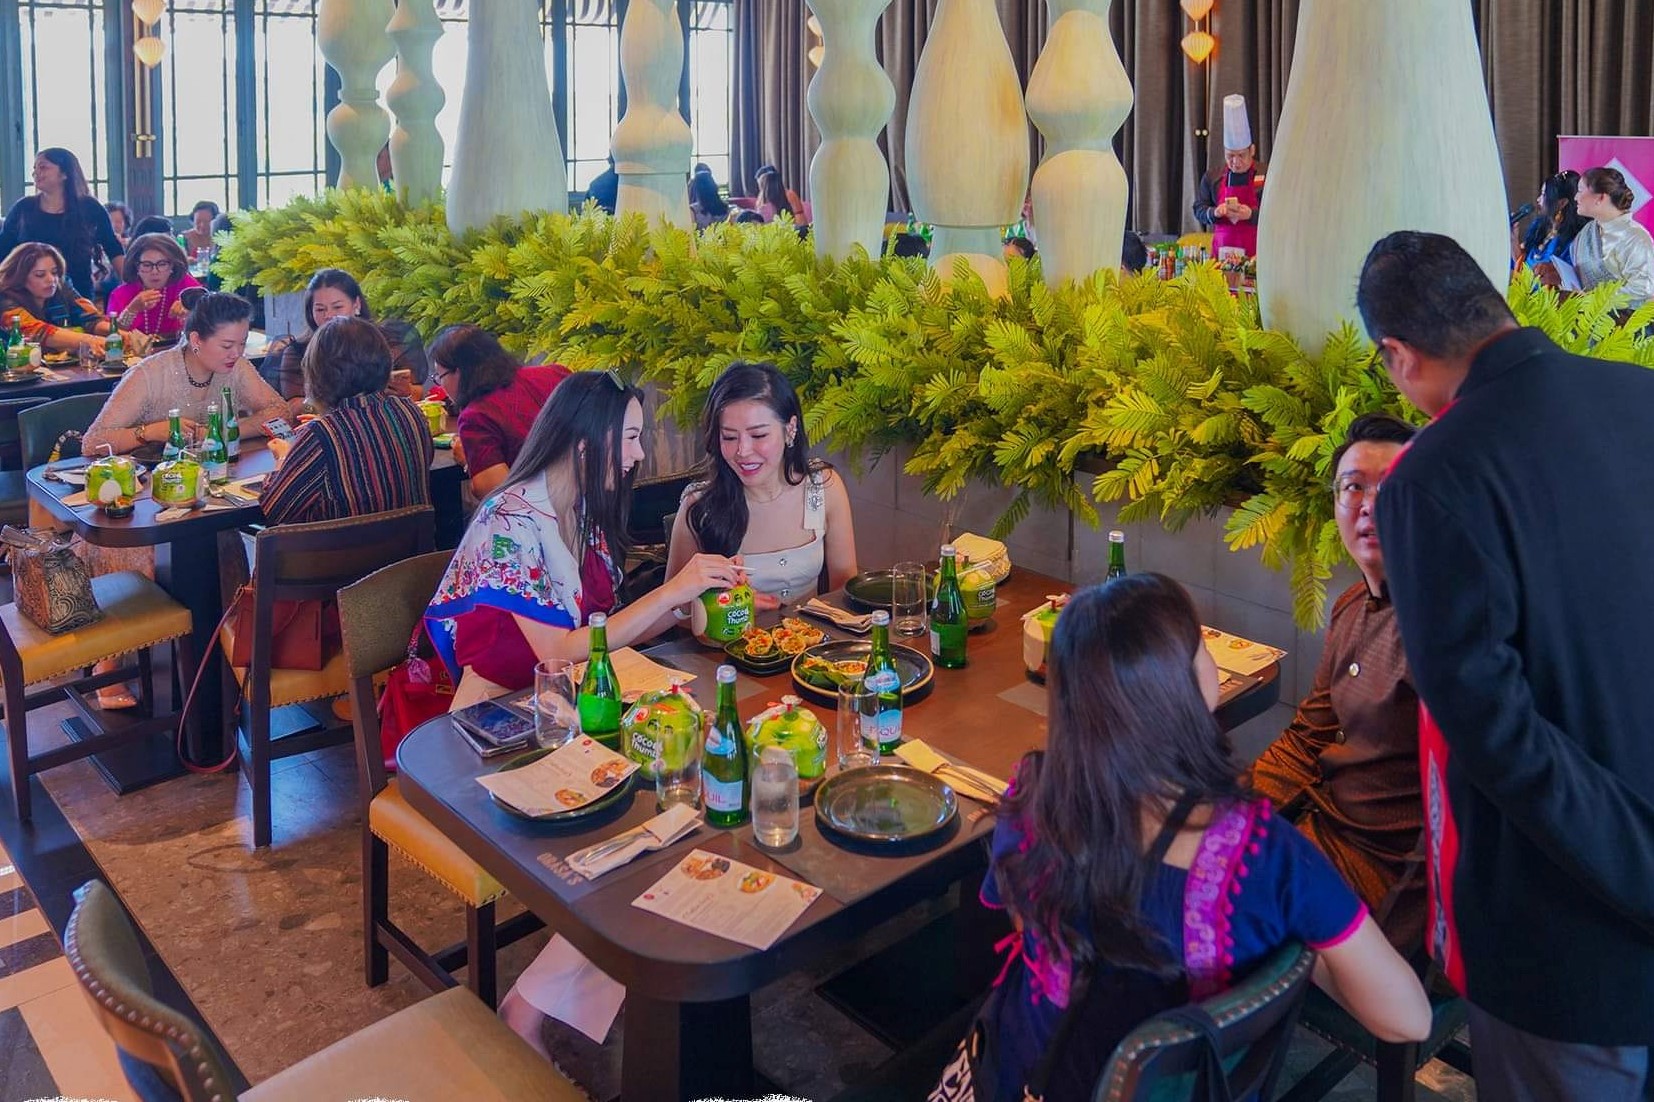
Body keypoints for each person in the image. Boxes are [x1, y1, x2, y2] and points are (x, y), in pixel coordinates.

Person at [1362, 230, 1654, 1099]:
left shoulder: (1432, 475)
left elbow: (1495, 733)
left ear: (1398, 355)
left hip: (1568, 937)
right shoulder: (1640, 394)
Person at [968, 574, 1429, 1101]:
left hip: (1013, 1075)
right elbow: (1408, 1018)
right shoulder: (1264, 855)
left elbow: (1024, 922)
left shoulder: (1029, 797)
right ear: (1188, 685)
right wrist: (1301, 948)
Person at [425, 370, 744, 710]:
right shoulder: (507, 520)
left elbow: (609, 631)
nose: (639, 453)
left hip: (579, 690)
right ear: (584, 442)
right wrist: (671, 590)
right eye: (631, 437)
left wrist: (691, 599)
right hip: (503, 703)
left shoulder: (582, 507)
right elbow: (557, 652)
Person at [1249, 413, 1425, 951]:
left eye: (1392, 488)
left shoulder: (1439, 629)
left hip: (1390, 876)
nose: (1370, 505)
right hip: (1320, 831)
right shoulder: (1351, 605)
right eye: (1354, 487)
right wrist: (1230, 815)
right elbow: (1307, 740)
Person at [668, 361, 857, 610]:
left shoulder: (822, 488)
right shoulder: (700, 506)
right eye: (729, 437)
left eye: (758, 435)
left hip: (810, 633)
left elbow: (844, 591)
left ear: (790, 429)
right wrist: (731, 607)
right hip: (730, 636)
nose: (743, 451)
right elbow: (674, 610)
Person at [260, 317, 432, 526]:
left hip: (343, 548)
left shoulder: (320, 434)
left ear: (318, 374)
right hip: (411, 545)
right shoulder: (411, 413)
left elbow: (276, 510)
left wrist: (284, 456)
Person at [82, 292, 288, 457]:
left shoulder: (237, 366)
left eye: (242, 343)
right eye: (227, 345)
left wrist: (225, 433)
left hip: (219, 472)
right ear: (196, 340)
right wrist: (149, 432)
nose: (236, 353)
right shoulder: (149, 374)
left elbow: (280, 411)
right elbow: (92, 442)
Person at [427, 324, 570, 500]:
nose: (440, 384)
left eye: (439, 376)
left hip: (547, 508)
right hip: (594, 496)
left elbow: (498, 496)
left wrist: (468, 461)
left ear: (458, 372)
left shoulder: (476, 417)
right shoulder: (556, 373)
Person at [272, 268, 426, 401]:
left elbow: (419, 391)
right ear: (310, 312)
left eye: (337, 307)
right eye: (320, 309)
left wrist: (405, 391)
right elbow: (293, 406)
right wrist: (322, 402)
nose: (329, 315)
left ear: (356, 304)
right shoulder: (298, 351)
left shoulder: (385, 341)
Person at [0, 148, 125, 297]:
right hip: (28, 296)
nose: (35, 173)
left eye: (43, 167)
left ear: (65, 173)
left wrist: (131, 287)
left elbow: (112, 247)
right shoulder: (24, 207)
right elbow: (4, 248)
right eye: (35, 169)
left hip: (78, 294)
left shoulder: (90, 207)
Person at [0, 242, 115, 357]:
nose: (51, 279)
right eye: (40, 274)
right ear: (19, 277)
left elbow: (90, 319)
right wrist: (89, 340)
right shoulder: (4, 297)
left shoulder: (62, 287)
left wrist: (117, 334)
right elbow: (36, 331)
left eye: (55, 273)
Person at [1567, 166, 1654, 307]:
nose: (1576, 197)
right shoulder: (1587, 231)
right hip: (1587, 317)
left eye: (1580, 190)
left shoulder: (1635, 237)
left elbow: (1643, 290)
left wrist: (1595, 300)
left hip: (1626, 319)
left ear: (1600, 197)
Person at [1192, 95, 1265, 258]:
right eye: (1230, 156)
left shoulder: (1266, 175)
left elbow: (1278, 214)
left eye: (1241, 155)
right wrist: (1215, 212)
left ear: (1252, 150)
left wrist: (1251, 215)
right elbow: (1199, 209)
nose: (1235, 162)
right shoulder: (1213, 177)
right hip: (1222, 255)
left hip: (1257, 255)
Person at [106, 234, 202, 341]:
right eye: (147, 265)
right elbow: (113, 337)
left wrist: (191, 311)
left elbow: (210, 317)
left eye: (162, 264)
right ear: (136, 267)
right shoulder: (121, 294)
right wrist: (131, 310)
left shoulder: (186, 285)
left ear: (172, 266)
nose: (155, 272)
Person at [1514, 170, 1588, 271]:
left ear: (1562, 203)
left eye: (1544, 195)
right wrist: (1513, 238)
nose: (1538, 199)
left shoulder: (1574, 241)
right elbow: (1521, 266)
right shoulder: (1539, 228)